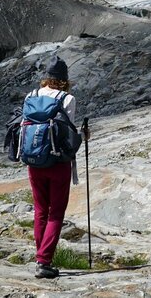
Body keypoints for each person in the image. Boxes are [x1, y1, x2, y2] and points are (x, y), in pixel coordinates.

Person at [23, 56, 89, 278]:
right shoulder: (67, 99)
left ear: (46, 78)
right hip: (58, 162)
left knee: (41, 211)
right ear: (64, 79)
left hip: (34, 161)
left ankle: (40, 257)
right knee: (56, 213)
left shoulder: (31, 96)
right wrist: (83, 135)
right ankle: (44, 261)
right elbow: (67, 132)